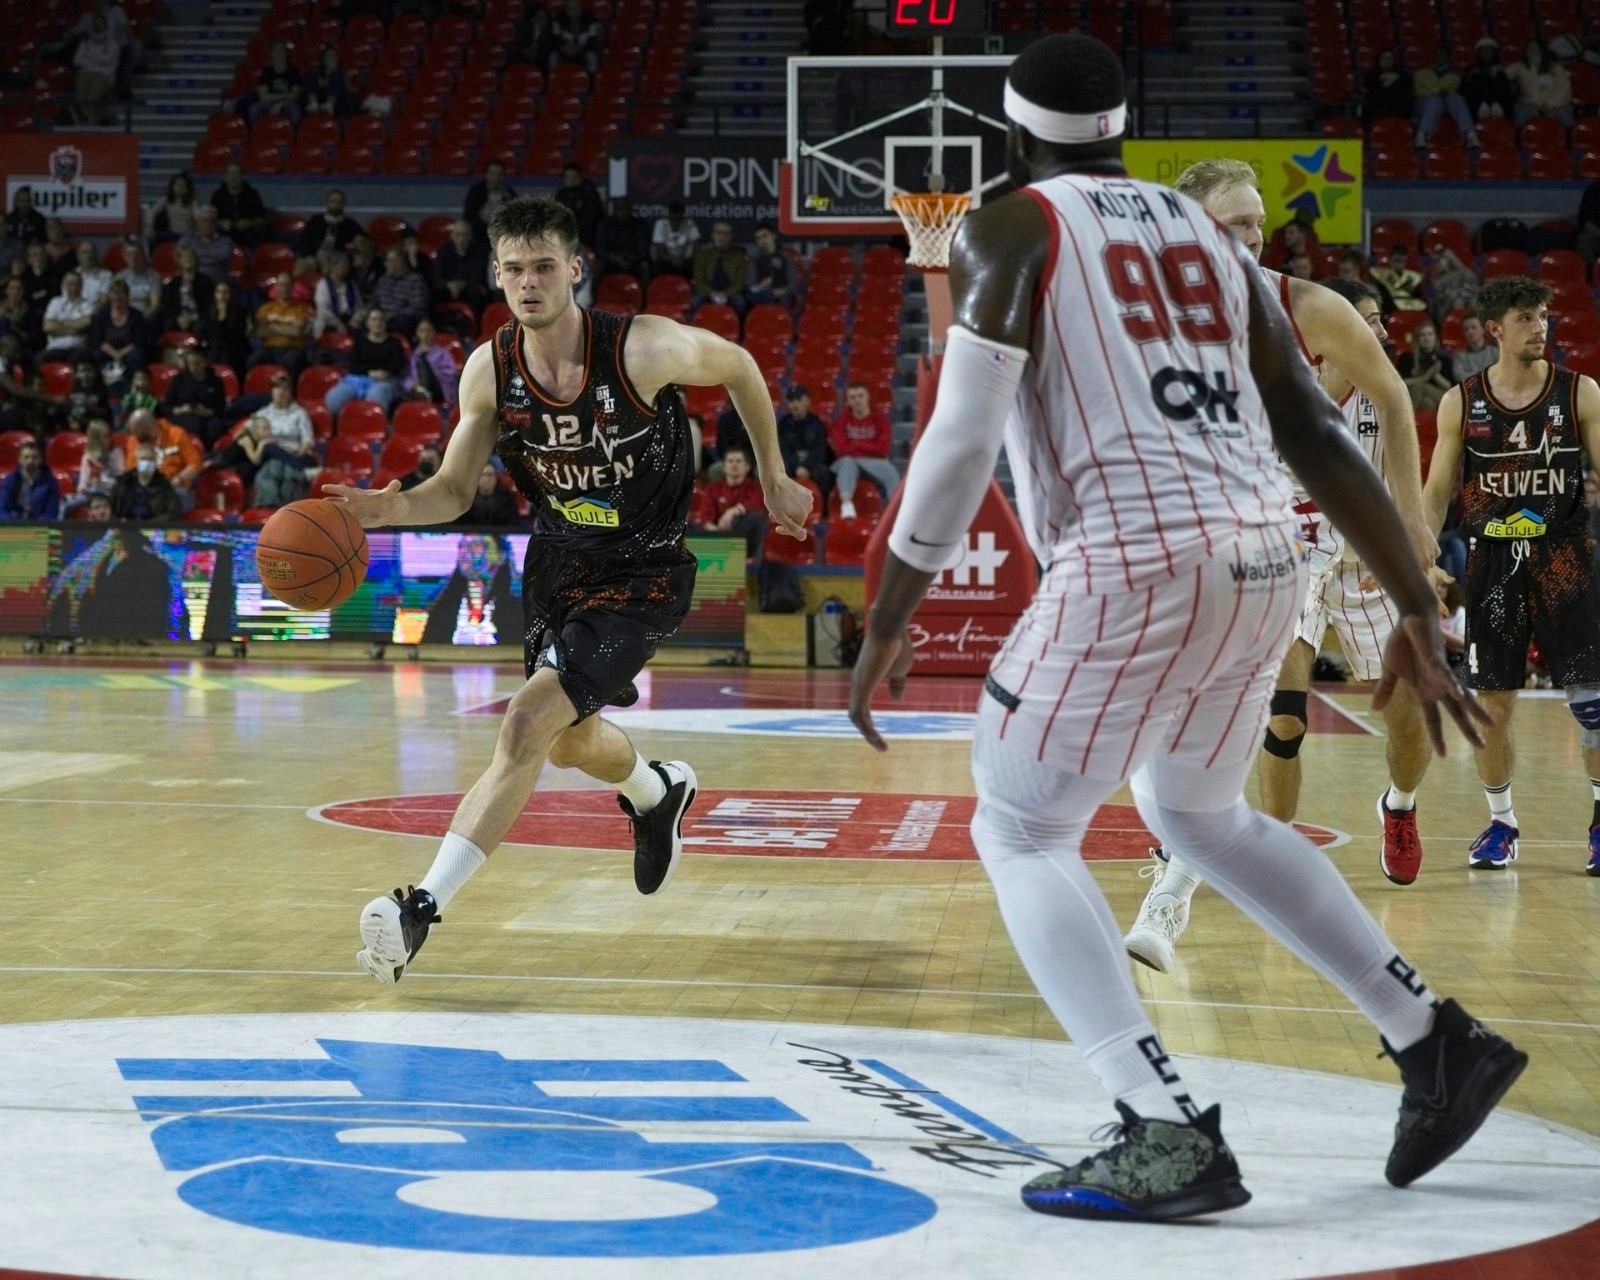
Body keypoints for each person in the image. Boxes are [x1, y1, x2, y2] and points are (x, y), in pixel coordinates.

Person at [848, 32, 1524, 1222]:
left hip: (1133, 557)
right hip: (1265, 556)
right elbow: (1315, 427)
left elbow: (960, 438)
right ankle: (1434, 1038)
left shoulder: (1012, 227)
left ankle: (1158, 1122)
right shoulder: (1212, 240)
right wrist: (1418, 601)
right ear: (1123, 132)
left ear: (1009, 135)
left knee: (1019, 820)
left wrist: (890, 608)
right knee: (1196, 812)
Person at [326, 195, 811, 984]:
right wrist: (392, 509)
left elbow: (741, 367)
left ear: (575, 269)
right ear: (496, 274)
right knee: (564, 741)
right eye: (515, 269)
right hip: (559, 564)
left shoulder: (642, 347)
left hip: (644, 570)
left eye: (544, 266)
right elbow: (452, 490)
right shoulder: (491, 371)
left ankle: (420, 907)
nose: (530, 282)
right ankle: (657, 793)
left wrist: (774, 474)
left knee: (524, 724)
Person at [1122, 157, 1437, 971]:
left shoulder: (1310, 307)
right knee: (1266, 714)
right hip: (1265, 541)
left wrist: (1410, 519)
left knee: (1406, 712)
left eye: (1259, 223)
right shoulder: (1154, 323)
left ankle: (1400, 804)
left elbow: (1396, 399)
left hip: (1357, 536)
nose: (1257, 235)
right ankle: (1179, 891)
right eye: (1238, 223)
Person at [1423, 276, 1600, 873]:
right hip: (1493, 563)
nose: (1540, 327)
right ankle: (1501, 823)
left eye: (1544, 316)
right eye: (1526, 317)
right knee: (1492, 707)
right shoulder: (1462, 401)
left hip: (1564, 558)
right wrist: (1422, 557)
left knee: (1592, 703)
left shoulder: (1579, 392)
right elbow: (1437, 491)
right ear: (1495, 328)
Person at [828, 381, 899, 518]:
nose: (857, 400)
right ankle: (847, 504)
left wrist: (854, 445)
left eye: (860, 396)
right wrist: (868, 447)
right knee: (847, 462)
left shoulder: (881, 420)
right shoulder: (841, 420)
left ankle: (894, 511)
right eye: (853, 397)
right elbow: (841, 450)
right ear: (848, 401)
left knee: (891, 471)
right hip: (847, 463)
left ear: (867, 397)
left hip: (874, 464)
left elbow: (883, 449)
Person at [324, 305, 405, 417]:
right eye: (374, 319)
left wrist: (382, 373)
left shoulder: (395, 344)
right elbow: (352, 366)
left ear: (385, 322)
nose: (377, 323)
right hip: (357, 380)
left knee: (375, 397)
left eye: (381, 319)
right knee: (333, 398)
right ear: (367, 323)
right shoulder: (360, 342)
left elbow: (396, 367)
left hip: (384, 381)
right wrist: (370, 372)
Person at [122, 408, 202, 504]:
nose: (136, 437)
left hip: (174, 488)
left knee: (177, 497)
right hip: (147, 489)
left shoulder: (176, 434)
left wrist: (179, 478)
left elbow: (195, 464)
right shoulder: (133, 441)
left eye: (139, 433)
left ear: (149, 427)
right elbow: (131, 469)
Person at [699, 443, 765, 557]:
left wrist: (732, 511)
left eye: (739, 461)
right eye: (730, 461)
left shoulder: (755, 487)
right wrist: (715, 531)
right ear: (724, 467)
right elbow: (706, 516)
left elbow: (756, 506)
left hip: (747, 542)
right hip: (718, 538)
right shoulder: (712, 488)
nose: (734, 464)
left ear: (747, 467)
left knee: (755, 516)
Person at [86, 279, 145, 398]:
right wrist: (114, 353)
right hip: (108, 350)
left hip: (128, 350)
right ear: (110, 296)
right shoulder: (101, 315)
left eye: (121, 294)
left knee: (136, 356)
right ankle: (99, 390)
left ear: (127, 296)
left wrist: (120, 354)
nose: (117, 297)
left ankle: (129, 391)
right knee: (95, 355)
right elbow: (97, 339)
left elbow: (138, 340)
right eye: (114, 294)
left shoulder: (136, 315)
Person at [1413, 48, 1481, 148]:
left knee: (1456, 98)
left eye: (1444, 55)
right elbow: (1418, 91)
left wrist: (1444, 93)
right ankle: (1422, 135)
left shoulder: (1454, 76)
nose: (1440, 57)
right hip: (1425, 104)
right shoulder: (1421, 73)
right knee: (1433, 100)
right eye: (1439, 54)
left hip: (1446, 105)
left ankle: (1469, 135)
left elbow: (1452, 90)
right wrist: (1436, 93)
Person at [162, 345, 228, 446]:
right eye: (190, 364)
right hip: (183, 416)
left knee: (215, 428)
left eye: (197, 364)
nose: (193, 368)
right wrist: (180, 410)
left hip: (207, 417)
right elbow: (166, 407)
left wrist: (207, 412)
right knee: (195, 425)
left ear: (205, 362)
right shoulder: (179, 380)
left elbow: (222, 408)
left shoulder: (215, 381)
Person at [249, 270, 312, 377]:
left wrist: (271, 327)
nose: (284, 288)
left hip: (292, 349)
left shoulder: (301, 309)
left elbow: (296, 332)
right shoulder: (266, 308)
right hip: (269, 348)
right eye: (281, 285)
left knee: (292, 361)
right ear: (276, 287)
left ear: (292, 287)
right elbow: (260, 331)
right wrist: (287, 328)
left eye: (287, 285)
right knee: (253, 360)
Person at [777, 384, 831, 497]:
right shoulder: (783, 424)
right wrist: (797, 467)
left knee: (823, 472)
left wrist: (806, 466)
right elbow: (783, 450)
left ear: (807, 401)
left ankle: (824, 505)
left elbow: (820, 450)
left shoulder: (817, 423)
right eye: (791, 401)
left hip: (812, 465)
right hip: (791, 465)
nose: (795, 404)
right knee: (779, 471)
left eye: (799, 400)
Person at [1508, 38, 1574, 129]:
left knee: (1565, 114)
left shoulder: (1556, 68)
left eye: (1533, 49)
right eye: (1528, 49)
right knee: (1520, 111)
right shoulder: (1521, 67)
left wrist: (1551, 105)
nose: (1530, 52)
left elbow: (1564, 89)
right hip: (1529, 105)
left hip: (1554, 106)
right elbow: (1505, 75)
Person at [109, 441, 182, 521]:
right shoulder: (124, 482)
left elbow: (173, 512)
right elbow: (112, 508)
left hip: (153, 525)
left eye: (150, 459)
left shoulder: (163, 484)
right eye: (143, 459)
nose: (147, 462)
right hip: (126, 525)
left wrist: (152, 523)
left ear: (155, 462)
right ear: (136, 461)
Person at [690, 221, 750, 316]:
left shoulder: (739, 256)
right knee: (695, 302)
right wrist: (712, 294)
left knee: (740, 303)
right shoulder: (702, 255)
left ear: (731, 237)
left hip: (730, 291)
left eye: (726, 234)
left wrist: (725, 294)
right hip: (708, 291)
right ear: (713, 235)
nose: (722, 237)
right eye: (719, 233)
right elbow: (699, 281)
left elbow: (740, 282)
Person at [430, 219, 490, 314]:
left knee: (477, 293)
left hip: (469, 288)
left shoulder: (479, 252)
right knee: (433, 293)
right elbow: (437, 275)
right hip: (448, 288)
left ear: (470, 236)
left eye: (465, 235)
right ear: (452, 236)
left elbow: (478, 276)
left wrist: (461, 285)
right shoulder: (443, 250)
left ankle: (476, 322)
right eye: (458, 235)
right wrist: (449, 285)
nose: (461, 239)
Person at [295, 189, 363, 269]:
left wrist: (358, 241)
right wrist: (308, 256)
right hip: (313, 257)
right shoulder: (316, 220)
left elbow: (365, 239)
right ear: (327, 202)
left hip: (334, 260)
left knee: (330, 268)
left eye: (339, 202)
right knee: (301, 264)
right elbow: (303, 240)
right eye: (333, 201)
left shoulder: (350, 224)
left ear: (343, 204)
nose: (336, 205)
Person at [1396, 319, 1457, 410]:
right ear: (1417, 338)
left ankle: (1405, 414)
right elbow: (1400, 383)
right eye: (1422, 335)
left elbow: (1449, 387)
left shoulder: (1443, 359)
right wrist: (1424, 378)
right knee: (1427, 403)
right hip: (1416, 394)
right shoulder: (1407, 357)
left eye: (1430, 334)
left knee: (1419, 386)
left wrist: (1436, 375)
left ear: (1435, 338)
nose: (1426, 338)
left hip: (1440, 394)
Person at [369, 247, 429, 337]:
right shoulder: (383, 279)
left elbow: (418, 307)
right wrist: (365, 312)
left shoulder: (415, 280)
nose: (386, 264)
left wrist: (392, 315)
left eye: (390, 261)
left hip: (401, 319)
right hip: (382, 317)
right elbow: (373, 301)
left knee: (403, 321)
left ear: (401, 262)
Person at [401, 317, 461, 408]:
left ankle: (424, 391)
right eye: (422, 331)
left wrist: (435, 372)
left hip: (439, 387)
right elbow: (407, 376)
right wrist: (412, 384)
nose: (426, 334)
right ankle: (421, 392)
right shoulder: (413, 355)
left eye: (429, 331)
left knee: (423, 363)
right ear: (417, 334)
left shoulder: (442, 353)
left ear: (434, 333)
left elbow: (450, 373)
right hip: (417, 388)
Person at [594, 197, 652, 284]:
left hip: (633, 261)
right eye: (620, 209)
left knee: (645, 268)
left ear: (631, 210)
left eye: (626, 209)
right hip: (612, 262)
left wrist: (631, 258)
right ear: (615, 210)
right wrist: (615, 258)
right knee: (600, 267)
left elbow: (643, 249)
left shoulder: (640, 225)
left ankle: (645, 293)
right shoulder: (605, 225)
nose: (623, 212)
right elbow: (600, 249)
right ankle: (594, 293)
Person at [0, 438, 60, 520]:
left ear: (41, 459)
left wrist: (38, 525)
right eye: (26, 457)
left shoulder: (50, 482)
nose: (30, 461)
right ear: (19, 459)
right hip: (13, 523)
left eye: (34, 457)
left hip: (39, 524)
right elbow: (2, 508)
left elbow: (51, 512)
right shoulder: (10, 480)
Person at [159, 245, 213, 335]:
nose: (188, 259)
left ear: (196, 260)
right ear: (179, 261)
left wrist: (195, 318)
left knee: (200, 328)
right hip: (180, 317)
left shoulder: (205, 281)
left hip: (199, 317)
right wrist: (178, 317)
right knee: (168, 325)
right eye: (184, 257)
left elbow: (208, 305)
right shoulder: (173, 283)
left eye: (191, 256)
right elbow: (168, 305)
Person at [198, 279, 251, 372]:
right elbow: (206, 334)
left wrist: (223, 317)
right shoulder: (208, 312)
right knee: (215, 350)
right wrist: (221, 318)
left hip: (234, 349)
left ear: (230, 294)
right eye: (219, 292)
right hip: (213, 348)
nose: (222, 296)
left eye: (225, 292)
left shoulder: (240, 312)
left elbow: (235, 337)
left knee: (225, 353)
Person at [211, 162, 268, 248]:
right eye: (230, 173)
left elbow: (262, 219)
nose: (233, 177)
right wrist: (221, 223)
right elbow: (210, 219)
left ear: (242, 175)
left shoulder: (252, 194)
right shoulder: (218, 195)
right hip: (224, 234)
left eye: (237, 173)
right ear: (225, 176)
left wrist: (249, 223)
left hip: (248, 235)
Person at [177, 205, 235, 285]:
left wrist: (194, 259)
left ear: (216, 223)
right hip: (192, 284)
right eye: (205, 220)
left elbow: (223, 256)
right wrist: (211, 259)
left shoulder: (226, 241)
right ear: (197, 222)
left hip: (216, 285)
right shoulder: (187, 239)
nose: (208, 224)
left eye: (212, 221)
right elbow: (180, 257)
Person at [1462, 37, 1517, 121]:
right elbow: (1467, 91)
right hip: (1477, 106)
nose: (1486, 54)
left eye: (1489, 51)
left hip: (1498, 105)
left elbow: (1505, 91)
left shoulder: (1500, 70)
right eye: (1483, 51)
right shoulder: (1472, 71)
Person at [42, 271, 96, 356]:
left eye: (77, 284)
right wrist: (76, 330)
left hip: (78, 349)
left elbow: (87, 322)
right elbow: (48, 326)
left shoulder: (88, 304)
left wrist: (59, 324)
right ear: (64, 285)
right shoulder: (55, 302)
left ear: (81, 286)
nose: (74, 288)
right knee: (38, 360)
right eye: (70, 284)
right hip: (54, 348)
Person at [250, 39, 303, 123]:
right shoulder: (266, 72)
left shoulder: (294, 72)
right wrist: (285, 95)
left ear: (286, 53)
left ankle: (293, 131)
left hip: (288, 103)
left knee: (295, 112)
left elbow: (294, 95)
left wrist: (280, 105)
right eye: (275, 50)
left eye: (281, 49)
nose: (278, 53)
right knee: (254, 109)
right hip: (269, 102)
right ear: (271, 54)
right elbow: (263, 96)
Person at [463, 160, 517, 243]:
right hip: (477, 235)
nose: (496, 177)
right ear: (486, 175)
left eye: (500, 174)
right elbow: (469, 215)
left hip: (500, 236)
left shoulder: (510, 194)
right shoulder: (476, 191)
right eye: (493, 174)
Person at [311, 252, 362, 339]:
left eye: (347, 267)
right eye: (343, 266)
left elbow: (359, 306)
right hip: (330, 320)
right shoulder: (323, 284)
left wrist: (355, 318)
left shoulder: (352, 284)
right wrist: (338, 324)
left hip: (349, 319)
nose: (346, 270)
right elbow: (323, 310)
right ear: (333, 267)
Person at [553, 163, 605, 248]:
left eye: (574, 177)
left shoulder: (591, 194)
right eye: (568, 177)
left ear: (580, 177)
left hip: (587, 238)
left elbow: (591, 220)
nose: (571, 180)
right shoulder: (561, 195)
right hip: (566, 237)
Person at [74, 419, 123, 505]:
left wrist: (102, 483)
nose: (109, 439)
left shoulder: (116, 453)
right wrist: (84, 488)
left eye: (109, 435)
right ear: (96, 439)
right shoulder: (87, 457)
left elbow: (121, 482)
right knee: (69, 504)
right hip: (92, 493)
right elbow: (82, 484)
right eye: (105, 436)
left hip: (111, 492)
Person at [455, 462, 520, 526]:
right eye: (482, 475)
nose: (486, 479)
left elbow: (514, 522)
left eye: (490, 475)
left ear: (496, 477)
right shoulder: (467, 497)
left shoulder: (507, 497)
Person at [1363, 47, 1413, 126]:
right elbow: (1372, 94)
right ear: (1379, 60)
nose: (1388, 60)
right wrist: (1387, 83)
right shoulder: (1371, 76)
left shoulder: (1403, 76)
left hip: (1399, 110)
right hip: (1377, 110)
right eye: (1384, 58)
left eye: (1390, 58)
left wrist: (1395, 79)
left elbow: (1407, 94)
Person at [549, 0, 602, 75]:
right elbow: (555, 38)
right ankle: (554, 78)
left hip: (584, 49)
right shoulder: (558, 18)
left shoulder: (591, 18)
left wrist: (581, 48)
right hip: (564, 49)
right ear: (566, 9)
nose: (574, 12)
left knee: (592, 57)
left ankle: (591, 79)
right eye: (571, 9)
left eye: (577, 9)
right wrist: (562, 47)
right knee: (553, 57)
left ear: (581, 8)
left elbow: (593, 39)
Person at [143, 172, 196, 244]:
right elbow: (152, 212)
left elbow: (197, 215)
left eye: (183, 185)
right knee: (154, 238)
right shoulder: (166, 199)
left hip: (187, 235)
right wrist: (148, 225)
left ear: (187, 188)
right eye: (177, 185)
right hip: (172, 233)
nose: (180, 188)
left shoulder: (192, 201)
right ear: (172, 186)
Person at [1372, 242, 1427, 311]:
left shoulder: (1413, 277)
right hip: (1391, 307)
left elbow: (1418, 296)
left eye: (1402, 261)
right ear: (1390, 260)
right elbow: (1382, 297)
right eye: (1396, 261)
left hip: (1411, 306)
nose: (1399, 264)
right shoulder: (1381, 275)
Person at [747, 223, 792, 307]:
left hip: (781, 292)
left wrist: (781, 291)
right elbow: (751, 286)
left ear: (773, 236)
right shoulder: (754, 259)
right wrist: (761, 286)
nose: (762, 241)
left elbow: (793, 283)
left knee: (783, 298)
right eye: (758, 238)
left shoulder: (785, 257)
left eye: (765, 236)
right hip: (761, 293)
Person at [115, 238, 162, 317]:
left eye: (137, 254)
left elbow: (155, 305)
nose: (133, 258)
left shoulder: (153, 276)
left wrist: (140, 318)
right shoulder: (120, 277)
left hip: (146, 316)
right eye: (129, 254)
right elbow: (117, 303)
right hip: (125, 317)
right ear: (124, 257)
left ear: (143, 256)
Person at [651, 200, 699, 277]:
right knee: (658, 266)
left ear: (682, 216)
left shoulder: (689, 224)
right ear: (669, 215)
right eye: (673, 219)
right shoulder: (660, 224)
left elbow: (696, 246)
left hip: (684, 260)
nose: (675, 222)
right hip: (666, 260)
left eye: (678, 219)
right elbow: (660, 250)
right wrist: (672, 259)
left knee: (694, 266)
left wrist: (682, 259)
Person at [302, 44, 349, 117]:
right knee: (309, 74)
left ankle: (329, 105)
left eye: (334, 56)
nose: (332, 59)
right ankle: (313, 104)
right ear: (323, 59)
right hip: (318, 100)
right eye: (329, 56)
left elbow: (346, 91)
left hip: (336, 104)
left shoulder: (341, 75)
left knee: (336, 75)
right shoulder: (315, 73)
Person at [1454, 312, 1499, 379]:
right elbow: (1459, 377)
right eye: (1466, 329)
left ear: (1483, 329)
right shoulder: (1460, 357)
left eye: (1473, 327)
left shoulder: (1495, 353)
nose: (1470, 332)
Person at [73, 241, 113, 310]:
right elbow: (68, 299)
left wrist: (87, 312)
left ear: (96, 255)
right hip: (73, 312)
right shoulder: (71, 275)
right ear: (78, 256)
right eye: (84, 252)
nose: (88, 256)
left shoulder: (106, 275)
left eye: (91, 252)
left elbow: (103, 301)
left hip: (96, 313)